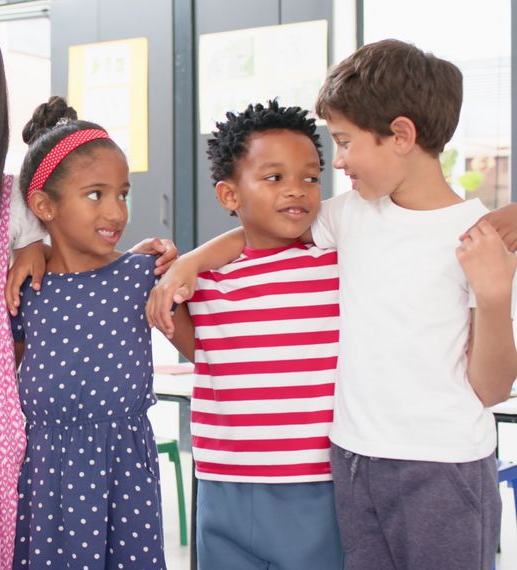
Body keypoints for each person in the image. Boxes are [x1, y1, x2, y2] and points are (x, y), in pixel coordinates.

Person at [151, 41, 517, 570]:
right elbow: (261, 232)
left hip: (444, 467)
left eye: (344, 142)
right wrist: (191, 263)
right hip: (352, 462)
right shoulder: (350, 215)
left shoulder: (480, 237)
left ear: (401, 136)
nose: (337, 160)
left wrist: (492, 296)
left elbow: (491, 387)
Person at [154, 100, 342, 569]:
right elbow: (203, 352)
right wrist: (183, 266)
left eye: (311, 177)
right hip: (222, 483)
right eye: (274, 177)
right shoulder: (205, 285)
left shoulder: (337, 262)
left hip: (314, 485)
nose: (297, 190)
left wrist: (191, 259)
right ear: (229, 195)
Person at [9, 96, 169, 569]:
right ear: (44, 205)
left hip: (126, 479)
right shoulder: (25, 288)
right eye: (96, 195)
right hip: (42, 480)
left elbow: (204, 348)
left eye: (122, 193)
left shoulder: (144, 275)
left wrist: (189, 265)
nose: (116, 212)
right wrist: (29, 247)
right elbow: (8, 369)